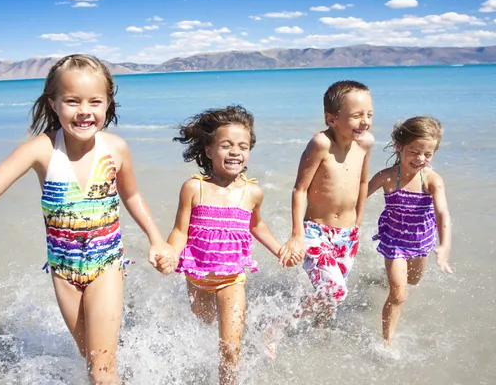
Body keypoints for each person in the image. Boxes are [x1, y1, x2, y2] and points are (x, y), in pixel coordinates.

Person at [0, 54, 175, 384]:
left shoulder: (115, 148)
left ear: (107, 103)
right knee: (91, 361)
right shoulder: (41, 150)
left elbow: (131, 195)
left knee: (102, 373)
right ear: (54, 104)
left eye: (94, 101)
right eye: (72, 101)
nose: (84, 110)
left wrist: (156, 239)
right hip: (63, 273)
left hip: (106, 266)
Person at [166, 105, 299, 385]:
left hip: (231, 278)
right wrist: (168, 253)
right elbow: (180, 230)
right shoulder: (194, 187)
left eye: (243, 146)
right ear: (209, 150)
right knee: (206, 328)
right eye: (226, 145)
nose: (235, 151)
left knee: (230, 347)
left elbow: (255, 225)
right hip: (198, 276)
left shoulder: (252, 192)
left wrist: (280, 249)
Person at [278, 80, 374, 325]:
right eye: (357, 116)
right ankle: (279, 323)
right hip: (316, 231)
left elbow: (363, 183)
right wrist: (297, 234)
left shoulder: (365, 143)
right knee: (335, 291)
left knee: (331, 300)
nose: (365, 121)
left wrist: (358, 221)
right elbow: (300, 189)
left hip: (348, 234)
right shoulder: (321, 144)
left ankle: (320, 339)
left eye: (369, 114)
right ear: (332, 119)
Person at [367, 116, 452, 346]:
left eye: (428, 154)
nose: (420, 159)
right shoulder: (386, 177)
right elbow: (356, 200)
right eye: (414, 151)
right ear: (399, 146)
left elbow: (442, 213)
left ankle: (388, 282)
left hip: (421, 241)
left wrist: (444, 245)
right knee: (399, 295)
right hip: (394, 240)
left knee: (412, 282)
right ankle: (387, 343)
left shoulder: (432, 179)